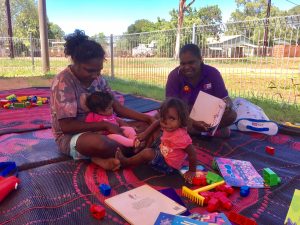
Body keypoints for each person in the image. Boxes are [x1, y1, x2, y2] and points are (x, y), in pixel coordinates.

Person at [50, 30, 153, 171]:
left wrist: (147, 119)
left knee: (146, 127)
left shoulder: (99, 79)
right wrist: (104, 126)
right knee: (100, 144)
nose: (95, 75)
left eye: (99, 70)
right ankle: (135, 148)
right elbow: (66, 126)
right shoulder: (63, 82)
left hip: (108, 128)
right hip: (74, 137)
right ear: (76, 62)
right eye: (90, 70)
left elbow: (116, 107)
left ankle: (124, 150)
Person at [116, 98, 197, 183]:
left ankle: (126, 162)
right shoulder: (168, 125)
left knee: (147, 153)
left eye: (172, 119)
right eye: (163, 118)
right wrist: (145, 134)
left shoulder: (182, 137)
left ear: (182, 119)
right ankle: (139, 153)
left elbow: (192, 154)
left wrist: (192, 171)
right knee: (154, 135)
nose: (166, 122)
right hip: (163, 149)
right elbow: (157, 122)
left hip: (168, 166)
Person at [166, 43, 237, 136]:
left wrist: (227, 105)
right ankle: (203, 131)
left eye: (191, 62)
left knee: (232, 115)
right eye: (183, 63)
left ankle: (198, 131)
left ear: (200, 59)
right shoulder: (174, 76)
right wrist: (189, 120)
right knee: (163, 116)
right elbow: (170, 106)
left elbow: (225, 98)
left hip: (209, 115)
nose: (187, 67)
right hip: (185, 115)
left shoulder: (213, 73)